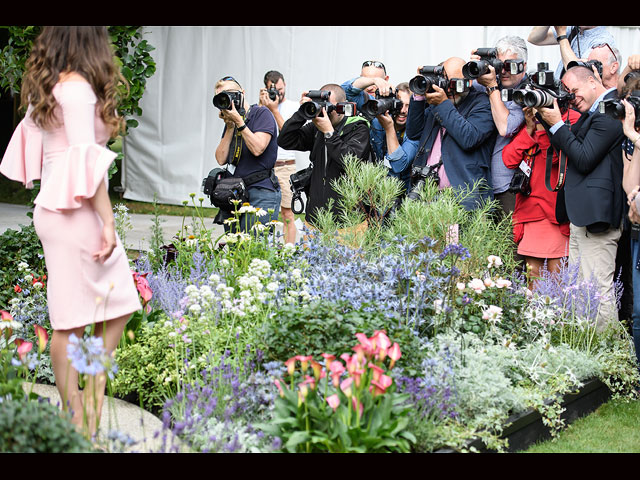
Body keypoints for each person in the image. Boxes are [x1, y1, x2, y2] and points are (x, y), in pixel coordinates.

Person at [0, 26, 142, 437]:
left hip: (56, 208)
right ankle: (80, 407)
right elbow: (83, 156)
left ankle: (82, 400)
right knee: (87, 315)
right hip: (75, 210)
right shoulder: (77, 90)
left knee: (103, 308)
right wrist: (109, 220)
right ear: (90, 41)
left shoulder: (50, 88)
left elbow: (34, 143)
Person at [536, 64, 626, 329]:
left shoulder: (610, 111)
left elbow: (584, 158)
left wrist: (558, 124)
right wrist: (546, 117)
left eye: (575, 91)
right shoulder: (591, 114)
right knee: (579, 288)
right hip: (582, 214)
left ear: (592, 81)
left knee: (597, 288)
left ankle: (608, 354)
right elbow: (568, 144)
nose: (573, 98)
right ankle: (588, 351)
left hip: (598, 214)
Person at [502, 105, 581, 287]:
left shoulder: (572, 118)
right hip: (530, 212)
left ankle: (558, 317)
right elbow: (509, 159)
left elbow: (553, 160)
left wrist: (544, 128)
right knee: (533, 277)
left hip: (555, 213)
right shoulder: (531, 122)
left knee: (558, 276)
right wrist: (530, 128)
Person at [405, 57, 497, 210]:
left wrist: (442, 103)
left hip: (462, 200)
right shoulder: (435, 103)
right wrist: (420, 93)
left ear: (470, 81)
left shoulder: (481, 103)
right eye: (448, 82)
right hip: (425, 196)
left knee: (454, 236)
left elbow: (469, 138)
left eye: (458, 83)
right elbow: (414, 132)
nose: (451, 89)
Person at [277, 84, 371, 227]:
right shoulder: (316, 128)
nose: (323, 113)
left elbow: (349, 160)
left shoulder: (358, 128)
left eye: (328, 108)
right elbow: (285, 140)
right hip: (315, 219)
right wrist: (301, 114)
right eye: (320, 107)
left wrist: (329, 133)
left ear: (341, 108)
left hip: (347, 223)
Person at [213, 76, 281, 233]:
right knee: (234, 249)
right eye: (222, 96)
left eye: (230, 93)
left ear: (242, 92)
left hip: (261, 191)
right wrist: (230, 126)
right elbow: (221, 158)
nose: (228, 99)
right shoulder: (231, 122)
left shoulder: (261, 113)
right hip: (235, 192)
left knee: (255, 248)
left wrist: (239, 122)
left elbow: (258, 149)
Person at [470, 35, 528, 218]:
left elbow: (506, 127)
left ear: (524, 66)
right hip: (480, 182)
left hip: (508, 185)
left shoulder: (527, 91)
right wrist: (473, 69)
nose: (504, 71)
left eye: (510, 65)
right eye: (500, 65)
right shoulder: (487, 83)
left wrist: (492, 87)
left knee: (507, 242)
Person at [258, 70, 299, 244]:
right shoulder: (260, 107)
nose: (279, 93)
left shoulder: (293, 106)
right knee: (264, 213)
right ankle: (267, 248)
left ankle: (288, 252)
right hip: (266, 167)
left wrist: (274, 111)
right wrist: (261, 106)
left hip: (285, 166)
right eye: (274, 90)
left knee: (287, 213)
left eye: (281, 89)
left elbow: (288, 135)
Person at [619, 75, 640, 373]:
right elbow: (630, 187)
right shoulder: (632, 138)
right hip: (638, 232)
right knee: (638, 311)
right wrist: (636, 138)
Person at [341, 60, 392, 161]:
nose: (369, 88)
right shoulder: (359, 98)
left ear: (386, 79)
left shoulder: (393, 102)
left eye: (377, 80)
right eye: (366, 80)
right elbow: (343, 90)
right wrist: (373, 81)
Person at [527, 26, 617, 81]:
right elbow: (534, 38)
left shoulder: (603, 41)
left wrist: (562, 35)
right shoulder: (575, 30)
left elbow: (577, 72)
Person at [376, 81, 414, 193]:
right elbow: (349, 91)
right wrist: (376, 80)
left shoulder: (414, 132)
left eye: (408, 106)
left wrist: (389, 128)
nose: (403, 111)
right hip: (375, 192)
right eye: (400, 104)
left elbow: (398, 165)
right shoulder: (377, 122)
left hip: (404, 195)